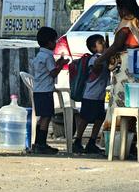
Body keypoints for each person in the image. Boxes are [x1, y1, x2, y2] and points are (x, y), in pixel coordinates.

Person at [97, 0, 139, 147]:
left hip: (125, 65)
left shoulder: (127, 23)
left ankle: (116, 143)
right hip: (137, 65)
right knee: (133, 105)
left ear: (123, 8)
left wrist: (100, 59)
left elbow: (117, 45)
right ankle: (130, 142)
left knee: (119, 103)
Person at [30, 26, 69, 155]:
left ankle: (37, 143)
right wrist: (62, 64)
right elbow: (53, 73)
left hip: (38, 90)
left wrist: (58, 63)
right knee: (46, 117)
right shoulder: (48, 57)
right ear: (49, 42)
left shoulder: (40, 55)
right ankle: (41, 143)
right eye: (54, 41)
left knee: (42, 117)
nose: (56, 44)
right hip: (45, 91)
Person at [72, 35, 109, 156]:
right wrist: (106, 56)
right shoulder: (94, 59)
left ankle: (92, 141)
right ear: (94, 48)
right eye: (100, 43)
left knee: (100, 118)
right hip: (90, 95)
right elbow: (96, 69)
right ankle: (77, 140)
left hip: (99, 95)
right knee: (85, 118)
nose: (103, 44)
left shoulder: (104, 58)